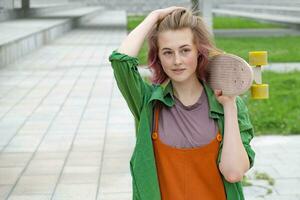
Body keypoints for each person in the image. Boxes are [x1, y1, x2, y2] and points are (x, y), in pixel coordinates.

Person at [109, 6, 255, 200]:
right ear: (158, 58)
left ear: (198, 52)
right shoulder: (148, 103)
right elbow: (121, 61)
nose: (177, 60)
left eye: (185, 50)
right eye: (167, 52)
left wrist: (229, 106)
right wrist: (154, 17)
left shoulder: (227, 104)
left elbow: (234, 173)